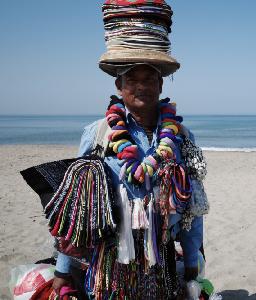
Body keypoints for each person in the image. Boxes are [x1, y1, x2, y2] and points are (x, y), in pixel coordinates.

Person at [51, 1, 210, 299]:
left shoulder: (182, 138)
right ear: (119, 84)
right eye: (132, 79)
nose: (141, 86)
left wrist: (191, 261)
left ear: (161, 84)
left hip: (162, 262)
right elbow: (76, 208)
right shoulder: (97, 134)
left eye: (149, 78)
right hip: (108, 263)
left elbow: (192, 209)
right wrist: (62, 268)